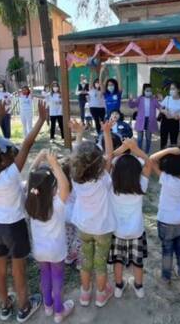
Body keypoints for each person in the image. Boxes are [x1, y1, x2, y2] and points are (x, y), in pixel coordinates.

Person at [0, 100, 47, 322]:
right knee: (18, 269)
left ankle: (5, 305)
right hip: (14, 227)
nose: (10, 154)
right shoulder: (10, 174)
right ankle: (25, 305)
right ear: (2, 159)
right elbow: (27, 144)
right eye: (7, 153)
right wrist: (42, 119)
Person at [70, 121, 117, 308]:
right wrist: (106, 132)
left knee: (86, 261)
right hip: (102, 229)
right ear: (99, 163)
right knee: (100, 264)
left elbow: (76, 156)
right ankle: (101, 295)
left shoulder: (75, 178)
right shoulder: (103, 179)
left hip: (83, 227)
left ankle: (84, 294)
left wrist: (79, 134)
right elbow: (110, 156)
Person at [26, 150, 75, 323]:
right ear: (53, 189)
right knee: (58, 279)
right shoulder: (57, 205)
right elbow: (66, 186)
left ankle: (48, 306)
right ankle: (59, 311)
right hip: (56, 252)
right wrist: (54, 164)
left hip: (39, 251)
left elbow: (31, 175)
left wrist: (39, 158)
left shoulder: (30, 202)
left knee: (44, 276)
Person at [148, 137, 180, 296]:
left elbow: (152, 159)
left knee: (167, 250)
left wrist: (170, 150)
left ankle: (166, 277)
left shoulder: (166, 179)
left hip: (166, 223)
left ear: (166, 166)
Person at [108, 138, 153, 299]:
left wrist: (120, 149)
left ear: (116, 171)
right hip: (137, 231)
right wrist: (135, 149)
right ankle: (139, 287)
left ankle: (119, 286)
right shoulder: (141, 184)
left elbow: (106, 162)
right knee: (137, 261)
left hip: (117, 231)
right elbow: (149, 164)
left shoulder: (111, 185)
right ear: (137, 172)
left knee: (118, 261)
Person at [129, 84, 161, 154]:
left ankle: (147, 152)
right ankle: (140, 152)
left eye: (150, 90)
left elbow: (160, 107)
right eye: (147, 90)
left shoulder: (154, 99)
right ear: (144, 91)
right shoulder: (140, 98)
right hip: (141, 120)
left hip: (150, 121)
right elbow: (132, 105)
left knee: (148, 138)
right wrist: (131, 99)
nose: (149, 92)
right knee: (140, 138)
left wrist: (161, 100)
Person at [159, 83, 180, 149]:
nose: (171, 90)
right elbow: (160, 108)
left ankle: (172, 158)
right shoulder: (167, 98)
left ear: (179, 90)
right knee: (163, 141)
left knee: (173, 142)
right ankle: (162, 157)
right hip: (165, 122)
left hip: (175, 123)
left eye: (173, 89)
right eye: (170, 89)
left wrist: (177, 117)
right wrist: (164, 112)